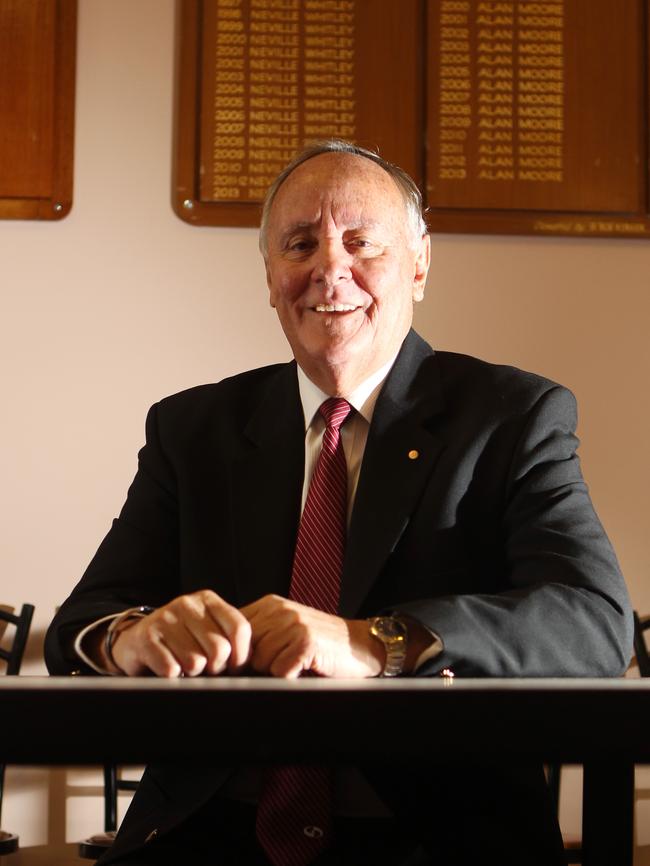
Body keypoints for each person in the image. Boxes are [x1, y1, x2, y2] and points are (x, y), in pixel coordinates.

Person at [45, 139, 633, 866]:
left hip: (436, 838)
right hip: (212, 828)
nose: (330, 270)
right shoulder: (191, 428)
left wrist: (373, 642)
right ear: (269, 276)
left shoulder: (512, 416)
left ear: (419, 264)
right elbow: (79, 624)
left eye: (361, 243)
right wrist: (128, 637)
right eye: (300, 244)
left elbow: (593, 622)